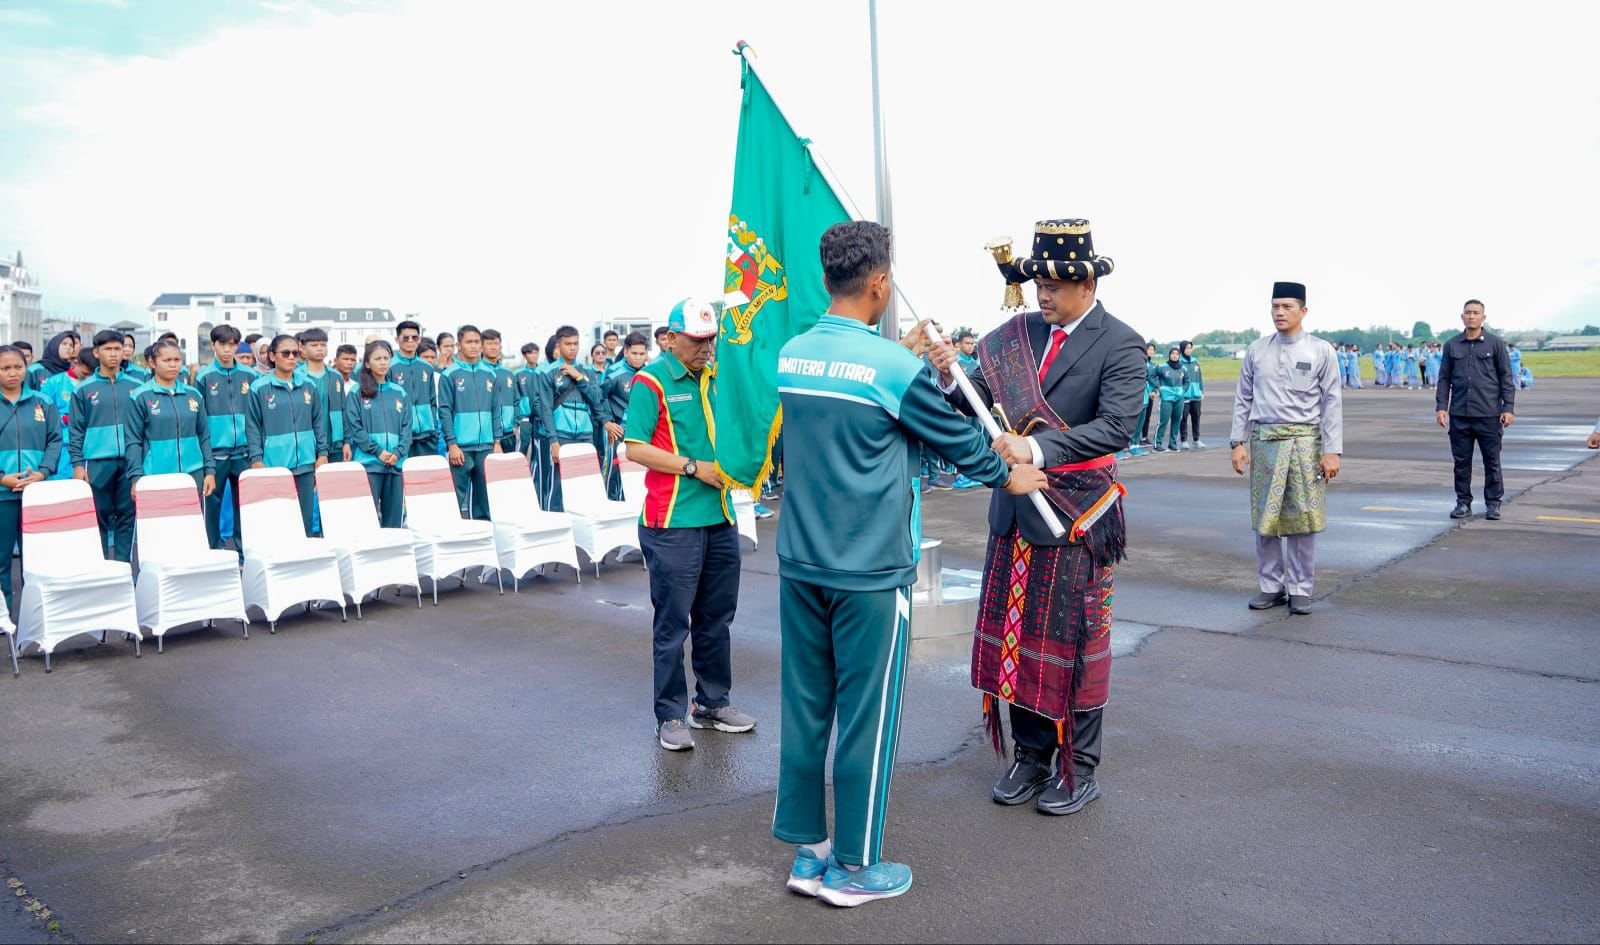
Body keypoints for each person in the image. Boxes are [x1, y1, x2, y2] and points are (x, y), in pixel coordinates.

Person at [776, 222, 1045, 907]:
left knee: (808, 708)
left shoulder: (795, 355)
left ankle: (808, 852)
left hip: (802, 562)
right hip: (869, 570)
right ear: (879, 283)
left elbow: (857, 386)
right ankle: (856, 866)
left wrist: (904, 354)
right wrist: (1007, 474)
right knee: (868, 715)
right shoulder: (895, 370)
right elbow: (957, 437)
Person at [931, 217, 1144, 818]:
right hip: (1015, 512)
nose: (1043, 294)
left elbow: (1117, 427)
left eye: (1055, 284)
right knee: (1018, 640)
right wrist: (949, 373)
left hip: (1078, 514)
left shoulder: (1119, 342)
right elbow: (965, 398)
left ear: (1086, 284)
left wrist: (1038, 448)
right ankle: (1029, 756)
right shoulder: (1013, 336)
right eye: (1038, 282)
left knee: (1074, 641)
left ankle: (1079, 767)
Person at [622, 298, 755, 753]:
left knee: (717, 617)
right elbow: (635, 448)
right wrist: (694, 467)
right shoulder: (651, 380)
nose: (705, 348)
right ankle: (670, 715)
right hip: (672, 520)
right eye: (697, 341)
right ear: (671, 338)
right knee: (673, 623)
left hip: (719, 517)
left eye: (710, 340)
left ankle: (712, 703)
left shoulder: (717, 378)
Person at [1230, 282, 1342, 616]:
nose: (1280, 312)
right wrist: (1238, 442)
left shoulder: (1320, 350)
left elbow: (1332, 402)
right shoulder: (1256, 350)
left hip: (1306, 445)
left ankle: (1301, 589)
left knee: (1303, 521)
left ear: (1303, 311)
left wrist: (1332, 450)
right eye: (1275, 306)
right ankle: (1270, 586)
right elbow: (1243, 398)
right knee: (1266, 520)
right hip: (1264, 443)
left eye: (1288, 307)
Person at [1436, 299, 1514, 521]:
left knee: (1492, 461)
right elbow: (1444, 378)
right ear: (1462, 317)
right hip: (1460, 415)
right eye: (1468, 313)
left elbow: (1506, 378)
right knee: (1461, 462)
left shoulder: (1495, 344)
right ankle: (1463, 503)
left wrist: (1508, 408)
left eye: (1476, 313)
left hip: (1489, 414)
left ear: (1483, 317)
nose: (1471, 316)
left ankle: (1493, 504)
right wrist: (1441, 406)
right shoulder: (1452, 345)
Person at [67, 331, 140, 561]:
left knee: (127, 516)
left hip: (129, 461)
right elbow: (76, 430)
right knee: (97, 516)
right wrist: (78, 465)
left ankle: (123, 570)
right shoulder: (83, 389)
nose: (114, 354)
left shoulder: (137, 387)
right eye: (108, 349)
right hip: (96, 461)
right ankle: (99, 569)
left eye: (117, 349)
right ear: (96, 352)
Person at [246, 334, 327, 536]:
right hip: (275, 464)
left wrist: (322, 453)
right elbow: (253, 426)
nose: (291, 357)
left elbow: (318, 421)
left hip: (306, 462)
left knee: (305, 519)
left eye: (295, 353)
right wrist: (256, 458)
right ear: (272, 356)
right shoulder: (259, 388)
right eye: (285, 353)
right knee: (278, 520)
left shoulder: (309, 385)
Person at [0, 345, 61, 611]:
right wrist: (2, 478)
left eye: (18, 366)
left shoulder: (43, 402)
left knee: (37, 557)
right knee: (2, 558)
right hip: (3, 493)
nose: (13, 373)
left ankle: (36, 612)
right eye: (5, 368)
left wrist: (42, 472)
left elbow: (55, 440)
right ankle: (4, 613)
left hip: (37, 493)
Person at [125, 339, 216, 499]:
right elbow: (133, 441)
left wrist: (209, 470)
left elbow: (204, 435)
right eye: (167, 360)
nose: (173, 365)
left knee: (193, 523)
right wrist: (135, 477)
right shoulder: (140, 396)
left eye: (177, 360)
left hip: (193, 473)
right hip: (156, 475)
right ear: (153, 363)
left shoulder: (193, 395)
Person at [532, 325, 605, 513]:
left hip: (585, 435)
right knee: (557, 485)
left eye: (576, 343)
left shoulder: (586, 371)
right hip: (561, 435)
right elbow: (545, 409)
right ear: (559, 345)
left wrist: (579, 377)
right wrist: (553, 441)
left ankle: (581, 529)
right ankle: (552, 524)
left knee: (585, 483)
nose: (573, 348)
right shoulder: (547, 372)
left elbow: (597, 399)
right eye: (568, 344)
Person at [195, 325, 253, 552]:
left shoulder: (250, 376)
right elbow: (199, 419)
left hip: (244, 453)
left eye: (232, 345)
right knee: (212, 503)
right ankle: (213, 550)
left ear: (237, 346)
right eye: (222, 344)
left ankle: (243, 551)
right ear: (213, 346)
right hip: (216, 453)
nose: (227, 350)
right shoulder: (204, 376)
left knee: (245, 506)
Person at [437, 325, 503, 520]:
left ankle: (483, 539)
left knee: (485, 500)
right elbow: (445, 411)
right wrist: (452, 444)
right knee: (456, 498)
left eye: (477, 342)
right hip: (461, 448)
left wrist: (497, 442)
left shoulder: (490, 374)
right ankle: (452, 539)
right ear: (459, 345)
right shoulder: (450, 374)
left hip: (486, 446)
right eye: (469, 342)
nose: (474, 346)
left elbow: (495, 409)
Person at [345, 340, 412, 528]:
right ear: (367, 363)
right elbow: (356, 428)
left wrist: (398, 453)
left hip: (395, 464)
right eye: (377, 359)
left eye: (386, 358)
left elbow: (407, 428)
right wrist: (378, 452)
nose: (383, 362)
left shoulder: (400, 392)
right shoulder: (356, 392)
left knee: (394, 522)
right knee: (366, 520)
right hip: (369, 464)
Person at [600, 331, 649, 501]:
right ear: (626, 352)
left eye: (642, 354)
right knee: (615, 473)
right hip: (619, 432)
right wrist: (608, 422)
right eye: (634, 353)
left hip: (644, 432)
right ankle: (611, 506)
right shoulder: (614, 372)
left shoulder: (649, 372)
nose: (638, 357)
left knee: (641, 472)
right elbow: (600, 397)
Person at [297, 328, 349, 465]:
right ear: (302, 348)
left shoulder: (336, 376)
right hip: (305, 445)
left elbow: (344, 410)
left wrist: (347, 442)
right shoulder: (296, 377)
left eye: (323, 345)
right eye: (314, 345)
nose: (319, 349)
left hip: (334, 443)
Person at [390, 320, 440, 458]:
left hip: (427, 435)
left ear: (419, 339)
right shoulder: (389, 367)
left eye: (414, 337)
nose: (410, 341)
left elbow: (432, 401)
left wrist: (433, 427)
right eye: (405, 338)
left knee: (427, 477)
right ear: (397, 339)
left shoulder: (427, 368)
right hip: (401, 437)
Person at [480, 329, 519, 454]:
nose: (493, 347)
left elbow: (516, 400)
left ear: (500, 346)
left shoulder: (508, 374)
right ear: (481, 347)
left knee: (508, 471)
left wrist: (515, 424)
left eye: (496, 344)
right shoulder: (478, 372)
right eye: (489, 344)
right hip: (486, 436)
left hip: (508, 433)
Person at [1154, 347, 1187, 451]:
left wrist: (1183, 390)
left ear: (1179, 355)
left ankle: (1172, 444)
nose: (1174, 355)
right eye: (1172, 353)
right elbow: (1151, 376)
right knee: (1163, 421)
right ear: (1169, 355)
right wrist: (1160, 388)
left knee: (1177, 420)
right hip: (1166, 398)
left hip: (1179, 398)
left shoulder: (1183, 368)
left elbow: (1187, 381)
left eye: (1177, 354)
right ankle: (1157, 444)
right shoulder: (1162, 367)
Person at [515, 342, 543, 457]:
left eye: (536, 353)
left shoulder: (543, 372)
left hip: (540, 417)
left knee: (538, 448)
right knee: (522, 447)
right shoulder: (518, 374)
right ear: (524, 355)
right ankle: (517, 473)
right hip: (525, 417)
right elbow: (515, 397)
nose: (534, 355)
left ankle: (535, 473)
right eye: (530, 353)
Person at [1178, 340, 1206, 448]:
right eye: (1186, 348)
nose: (1188, 350)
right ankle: (1184, 440)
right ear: (1182, 349)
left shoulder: (1195, 361)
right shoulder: (1179, 362)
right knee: (1183, 417)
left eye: (1190, 348)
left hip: (1196, 395)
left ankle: (1196, 439)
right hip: (1184, 395)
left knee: (1196, 417)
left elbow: (1199, 377)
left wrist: (1201, 390)